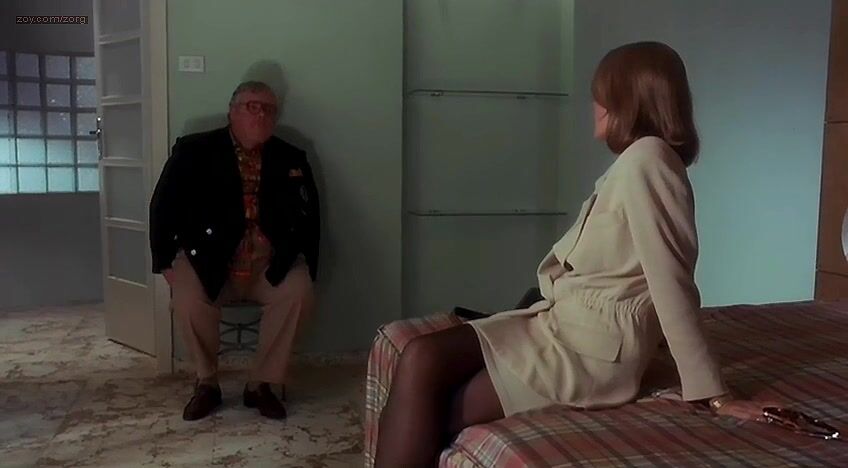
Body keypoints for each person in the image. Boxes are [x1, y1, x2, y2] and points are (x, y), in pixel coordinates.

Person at [374, 42, 768, 467]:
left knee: (434, 407)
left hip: (587, 353)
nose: (594, 105)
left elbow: (670, 281)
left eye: (603, 94)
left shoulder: (648, 162)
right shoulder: (637, 161)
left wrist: (714, 393)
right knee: (422, 356)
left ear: (628, 100)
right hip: (565, 327)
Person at [149, 81, 320, 421]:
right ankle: (206, 382)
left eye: (268, 109)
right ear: (232, 112)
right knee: (187, 300)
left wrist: (308, 262)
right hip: (209, 260)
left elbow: (310, 216)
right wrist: (164, 261)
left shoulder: (291, 156)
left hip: (268, 264)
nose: (261, 114)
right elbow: (162, 206)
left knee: (300, 293)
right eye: (251, 106)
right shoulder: (194, 150)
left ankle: (260, 384)